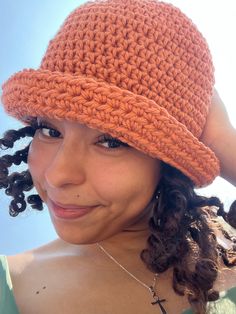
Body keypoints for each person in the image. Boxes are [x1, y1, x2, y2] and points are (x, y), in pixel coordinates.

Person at [0, 0, 235, 313]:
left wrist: (224, 140)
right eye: (49, 131)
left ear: (166, 159)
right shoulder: (10, 285)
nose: (58, 175)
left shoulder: (227, 246)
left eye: (110, 142)